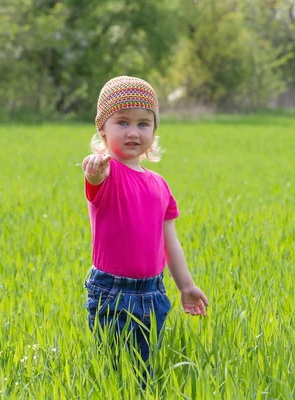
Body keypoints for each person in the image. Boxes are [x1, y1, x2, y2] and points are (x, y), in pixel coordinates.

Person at [81, 76, 209, 373]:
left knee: (144, 374)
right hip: (111, 293)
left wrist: (186, 286)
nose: (133, 132)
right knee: (115, 374)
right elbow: (94, 179)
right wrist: (94, 170)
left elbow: (170, 242)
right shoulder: (107, 172)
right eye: (122, 122)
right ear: (102, 127)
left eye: (143, 124)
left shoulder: (160, 185)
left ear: (154, 130)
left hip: (154, 293)